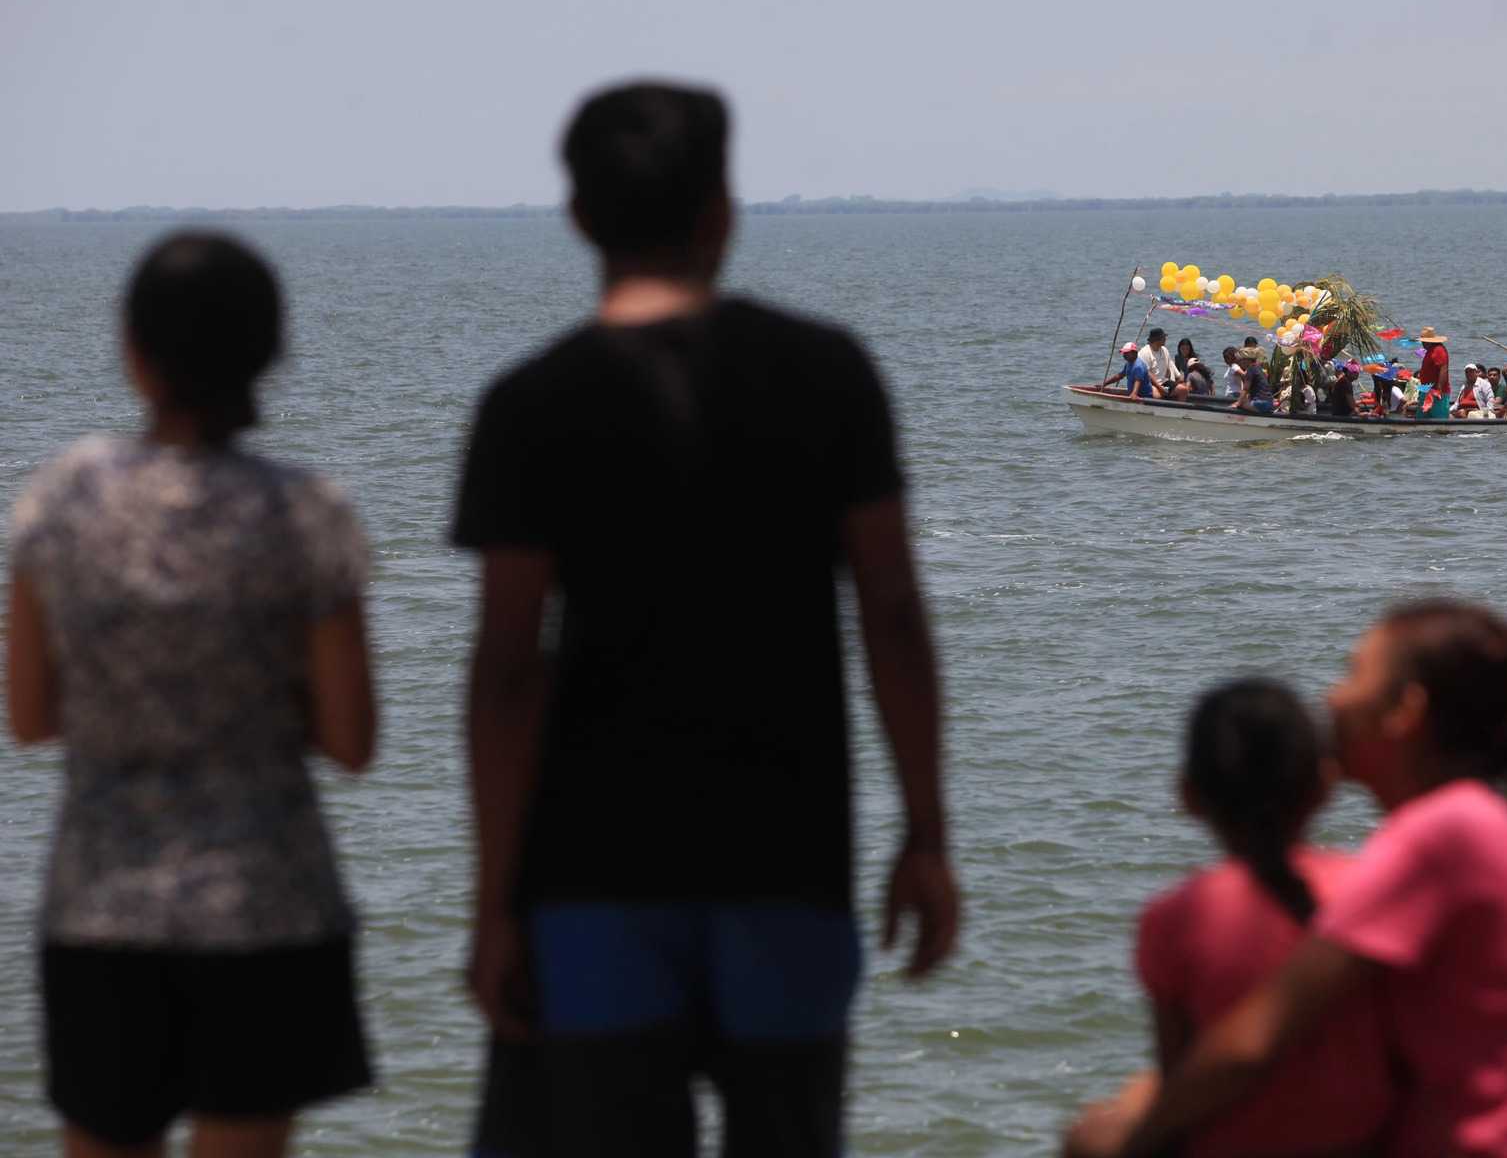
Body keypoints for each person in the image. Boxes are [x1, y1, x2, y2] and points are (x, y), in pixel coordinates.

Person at [454, 83, 959, 1158]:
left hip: (595, 878)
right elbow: (894, 610)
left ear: (578, 217)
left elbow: (508, 670)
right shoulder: (829, 374)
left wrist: (495, 902)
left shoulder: (530, 404)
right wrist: (926, 831)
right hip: (789, 860)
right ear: (722, 210)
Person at [7, 232, 378, 1158]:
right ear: (270, 353)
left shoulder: (60, 500)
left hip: (100, 906)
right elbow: (352, 739)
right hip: (267, 905)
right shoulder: (306, 511)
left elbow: (31, 716)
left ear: (133, 352)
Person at [1066, 602, 1507, 1158]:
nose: (1331, 697)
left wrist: (1133, 1141)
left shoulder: (1438, 836)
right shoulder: (1485, 822)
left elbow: (1256, 1039)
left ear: (1405, 712)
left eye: (1353, 672)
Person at [1070, 681, 1395, 1158]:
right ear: (1324, 788)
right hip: (1365, 1142)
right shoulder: (1374, 890)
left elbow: (1180, 1080)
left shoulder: (1175, 916)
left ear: (1189, 796)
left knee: (1087, 1136)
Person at [1413, 328, 1451, 420]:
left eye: (1424, 341)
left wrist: (1439, 389)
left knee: (1439, 419)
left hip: (1436, 392)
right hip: (1426, 391)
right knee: (1421, 419)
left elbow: (1443, 368)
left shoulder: (1438, 350)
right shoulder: (1430, 350)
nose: (1423, 343)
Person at [1142, 328, 1188, 401]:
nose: (1165, 339)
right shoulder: (1145, 353)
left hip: (1164, 382)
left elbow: (1168, 370)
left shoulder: (1164, 350)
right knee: (1157, 396)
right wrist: (1159, 387)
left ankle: (1176, 407)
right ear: (1157, 340)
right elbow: (1147, 374)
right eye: (1163, 338)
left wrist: (1169, 384)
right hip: (1150, 383)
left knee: (1183, 390)